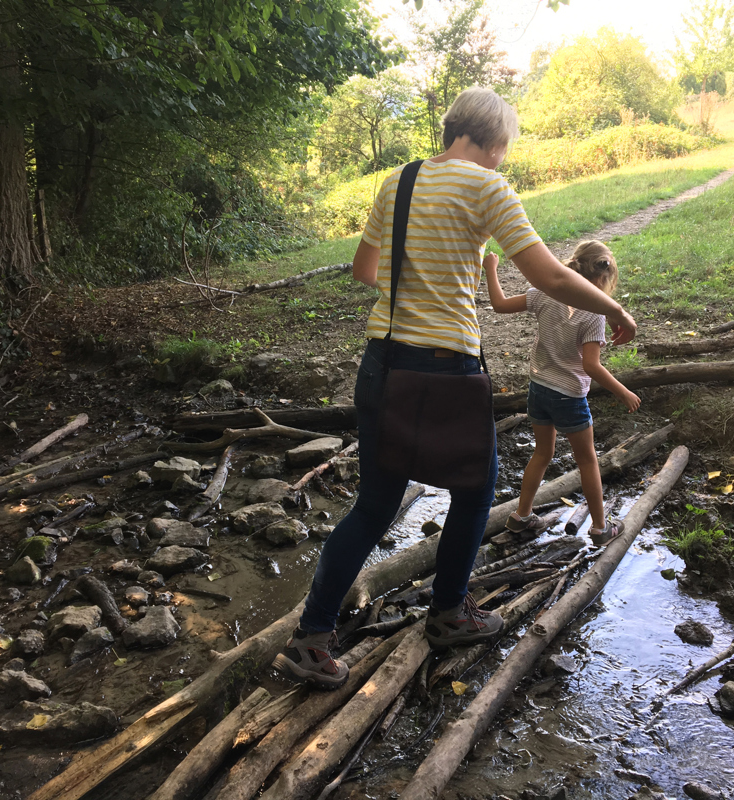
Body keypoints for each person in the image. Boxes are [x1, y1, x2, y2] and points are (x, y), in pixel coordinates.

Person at [272, 87, 638, 690]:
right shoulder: (486, 186)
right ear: (492, 140)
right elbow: (548, 273)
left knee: (373, 505)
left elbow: (366, 270)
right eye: (504, 148)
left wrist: (423, 275)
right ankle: (448, 613)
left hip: (382, 364)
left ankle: (310, 639)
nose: (501, 160)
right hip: (445, 367)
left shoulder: (399, 181)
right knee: (477, 487)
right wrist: (614, 308)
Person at [482, 241, 641, 547]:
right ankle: (599, 528)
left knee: (542, 453)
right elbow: (591, 366)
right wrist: (622, 392)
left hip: (538, 388)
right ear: (604, 281)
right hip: (569, 396)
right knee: (588, 461)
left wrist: (491, 269)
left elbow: (499, 305)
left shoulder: (546, 294)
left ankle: (521, 516)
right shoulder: (595, 315)